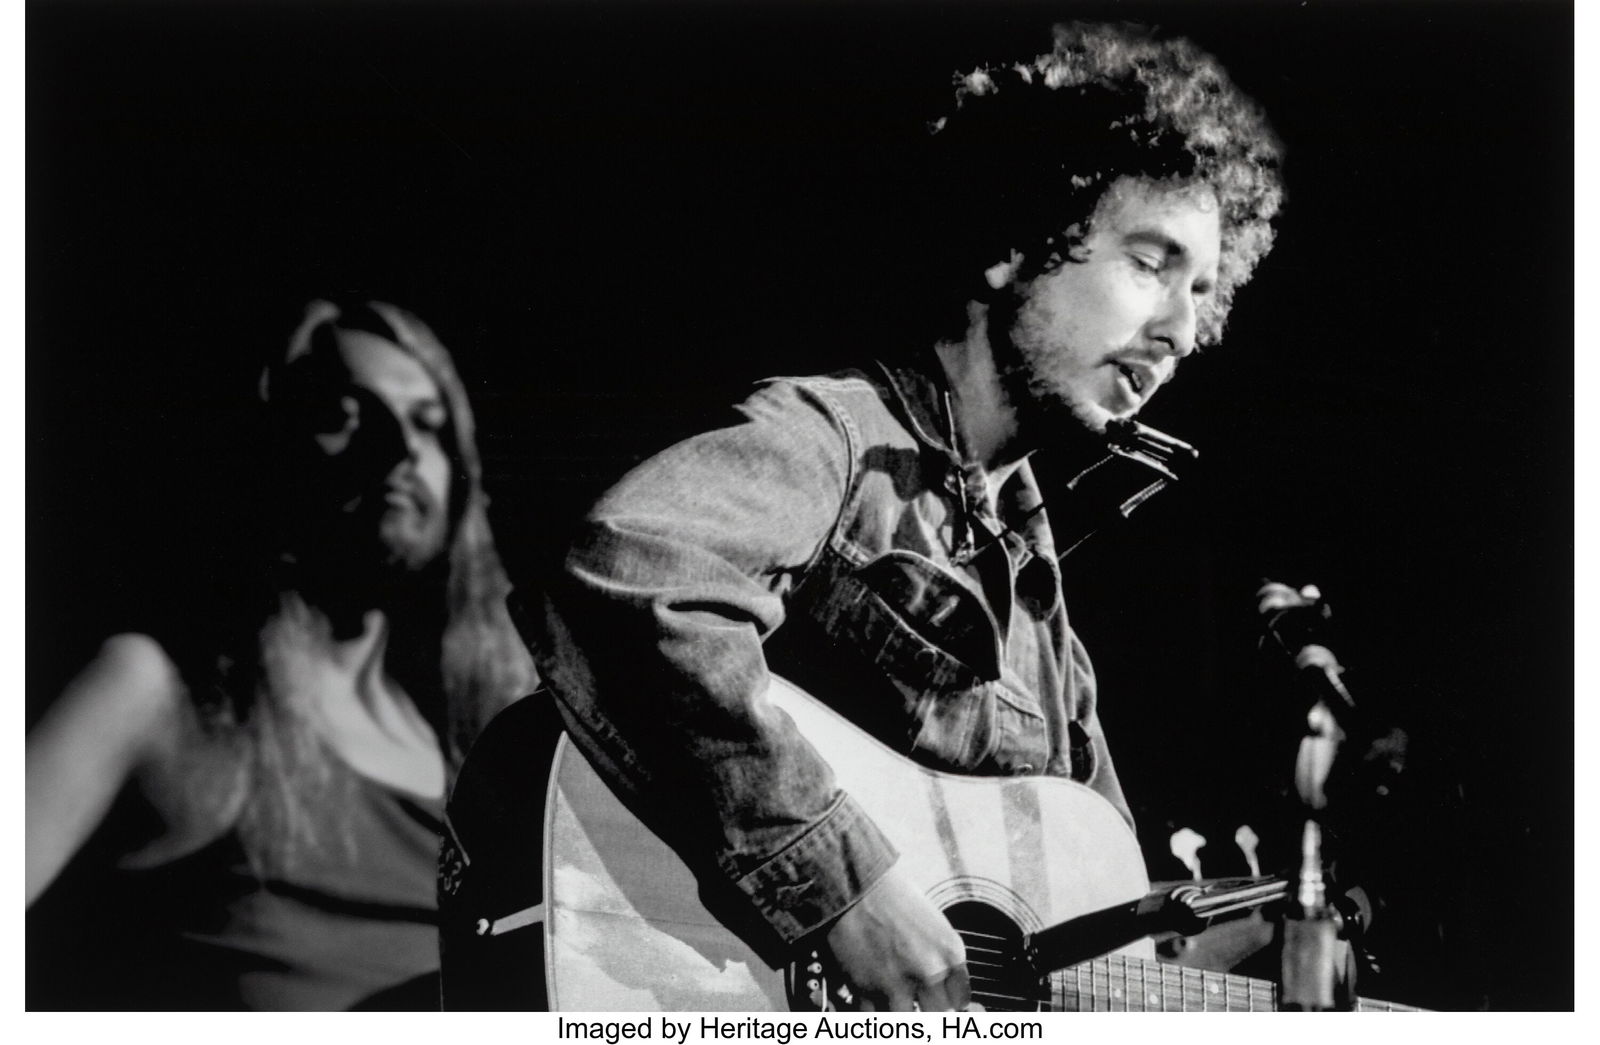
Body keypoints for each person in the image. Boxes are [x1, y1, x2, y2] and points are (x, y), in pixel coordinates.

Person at [528, 22, 1284, 1011]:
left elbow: (1090, 921)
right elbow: (635, 573)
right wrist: (845, 892)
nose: (1183, 330)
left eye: (1198, 292)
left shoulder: (1046, 611)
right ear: (1017, 239)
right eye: (1151, 262)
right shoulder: (839, 434)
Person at [26, 300, 535, 1009]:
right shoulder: (157, 691)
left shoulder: (470, 750)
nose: (397, 451)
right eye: (344, 414)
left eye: (428, 423)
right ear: (265, 448)